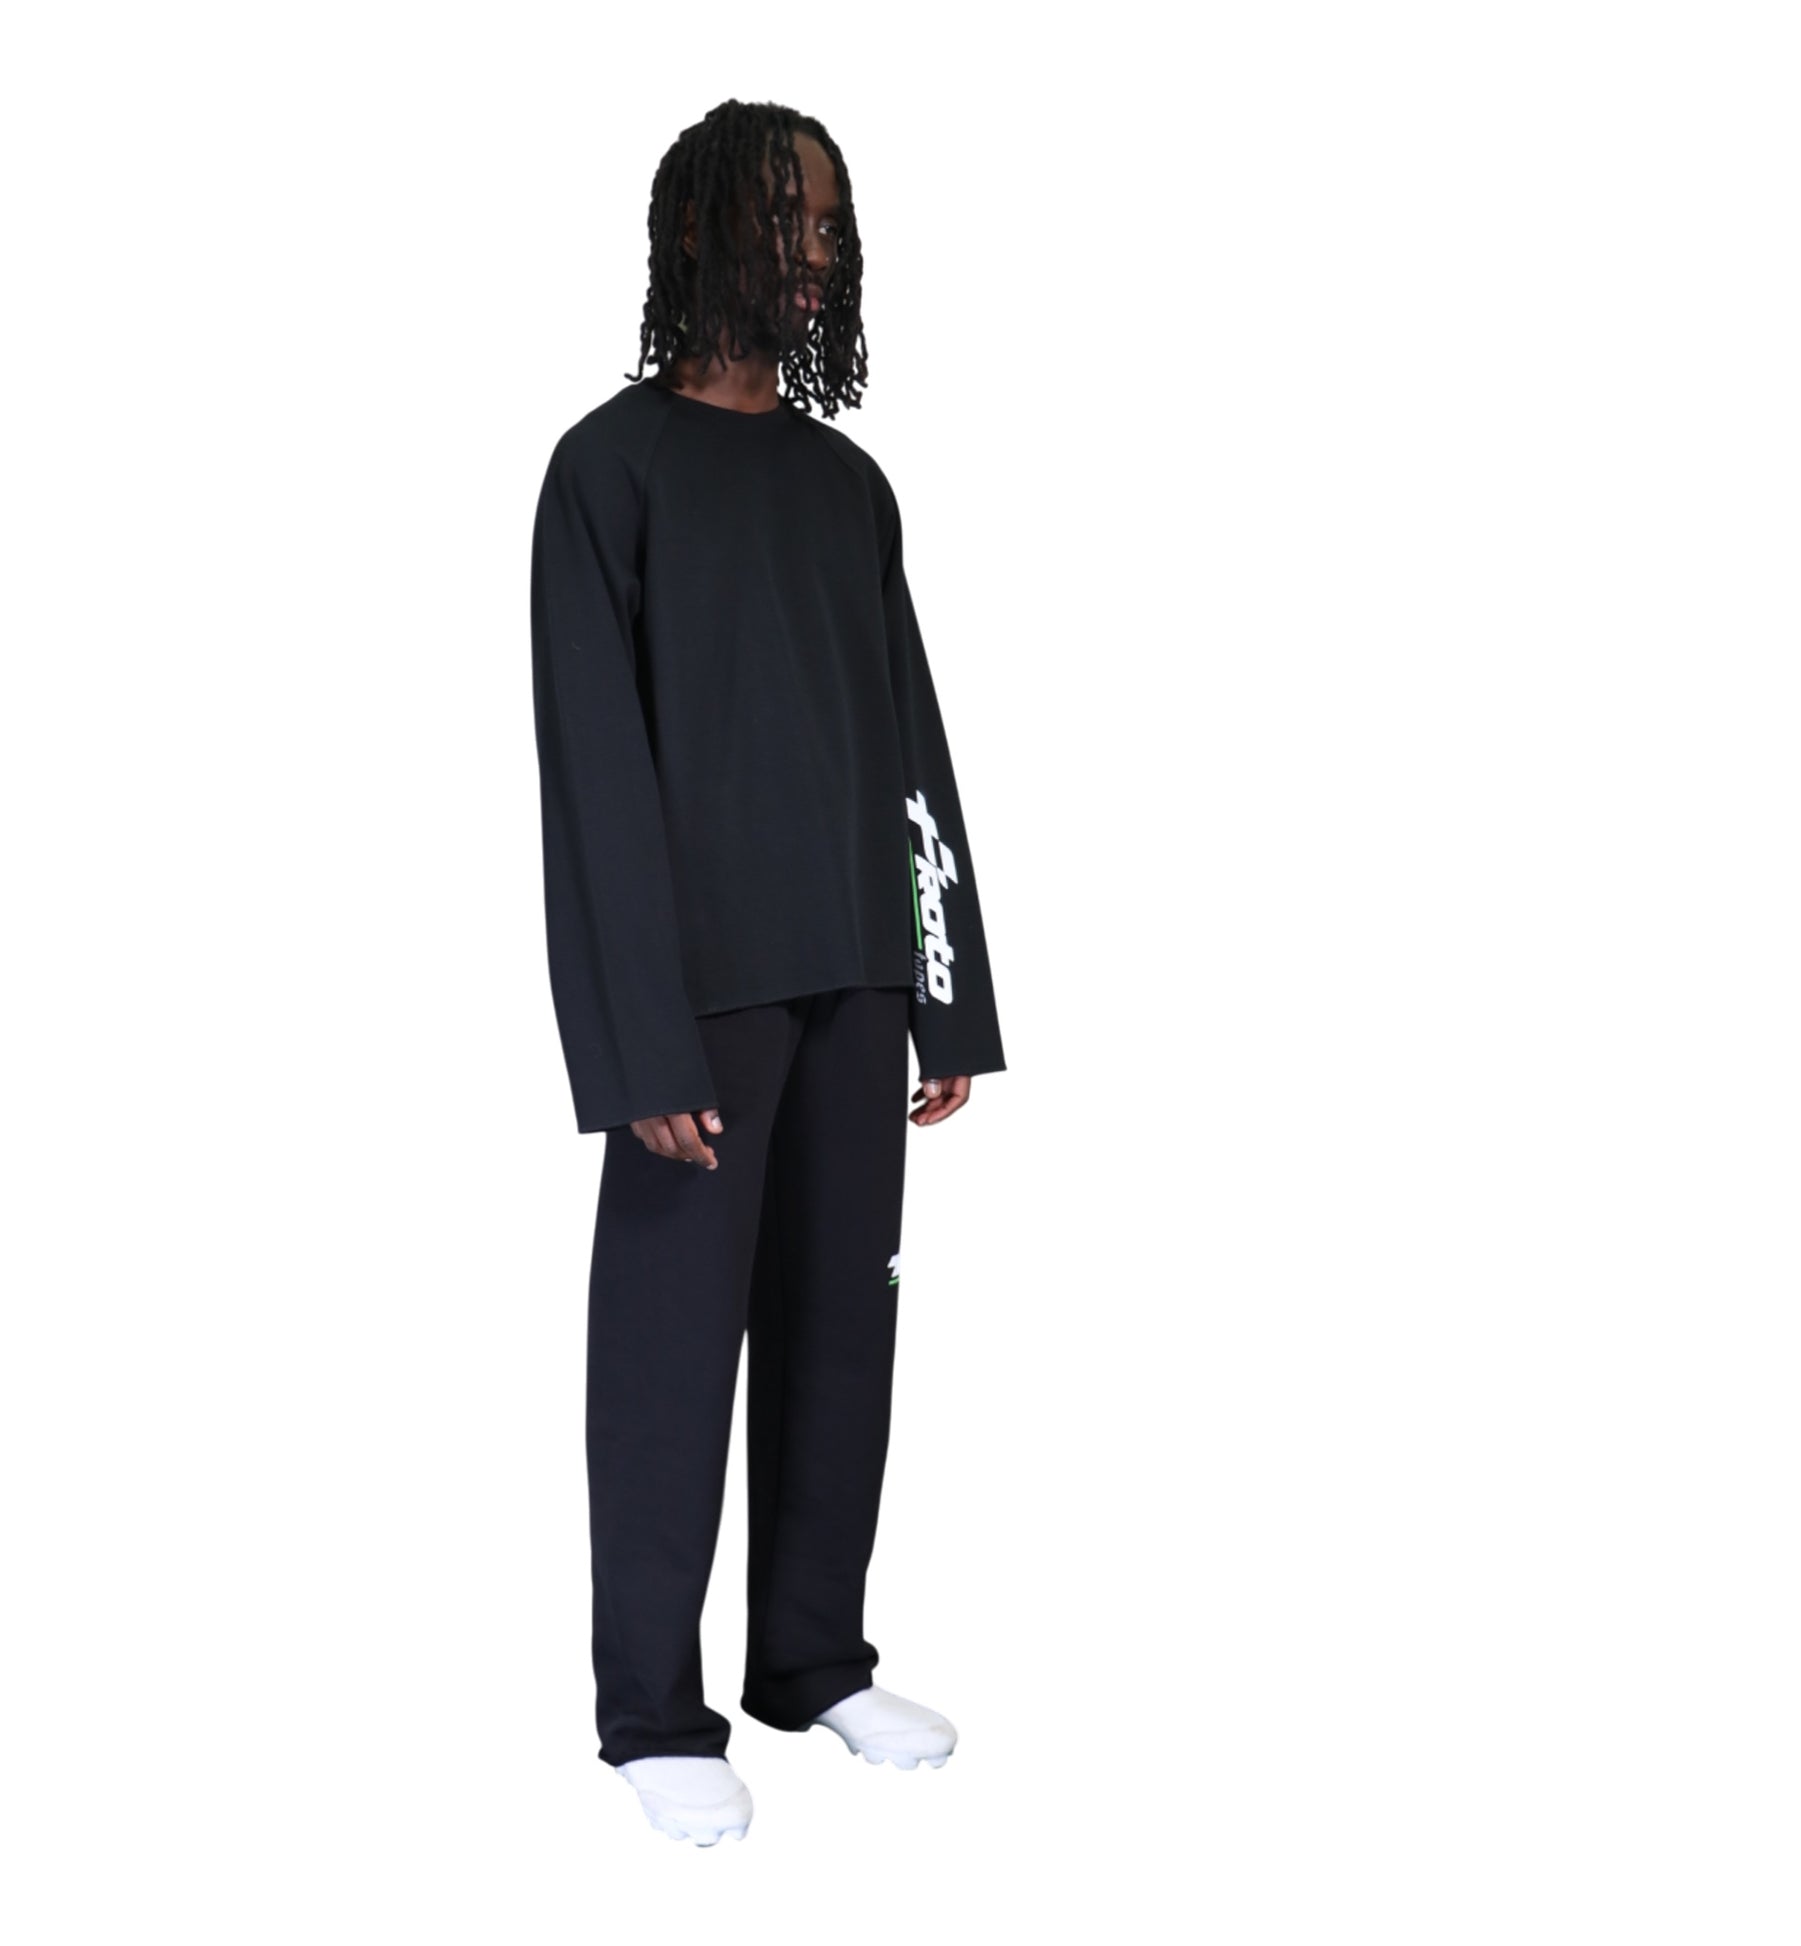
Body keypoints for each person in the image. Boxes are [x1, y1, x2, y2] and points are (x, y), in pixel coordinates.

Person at [527, 98, 1006, 1847]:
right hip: (702, 1000)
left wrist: (945, 988)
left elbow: (911, 745)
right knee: (670, 1351)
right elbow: (592, 775)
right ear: (691, 235)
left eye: (826, 223)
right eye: (781, 219)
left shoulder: (845, 486)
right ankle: (652, 1708)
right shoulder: (609, 471)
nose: (811, 251)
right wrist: (636, 1042)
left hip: (858, 972)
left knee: (837, 1332)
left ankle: (810, 1656)